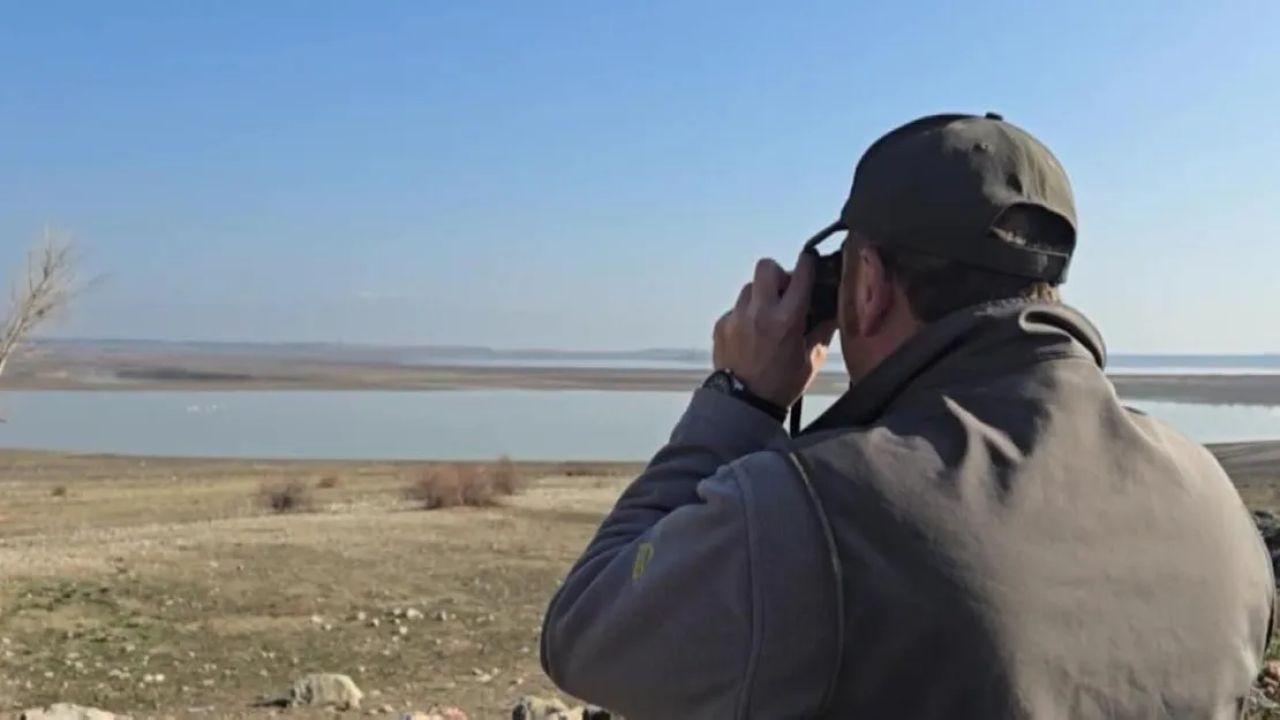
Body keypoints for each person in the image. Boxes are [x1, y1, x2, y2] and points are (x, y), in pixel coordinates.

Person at [539, 113, 1274, 718]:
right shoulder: (1214, 504)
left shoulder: (815, 512)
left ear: (862, 285)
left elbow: (586, 636)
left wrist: (743, 403)